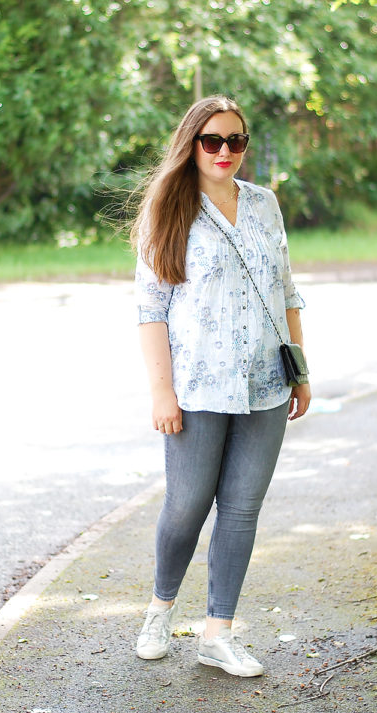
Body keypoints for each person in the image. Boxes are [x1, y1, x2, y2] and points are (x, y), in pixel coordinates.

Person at [130, 95, 311, 678]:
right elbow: (151, 310)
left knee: (240, 510)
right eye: (213, 141)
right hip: (198, 388)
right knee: (186, 505)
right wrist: (162, 394)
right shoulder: (169, 210)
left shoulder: (264, 205)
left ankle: (218, 633)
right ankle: (160, 608)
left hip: (265, 384)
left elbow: (286, 291)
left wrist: (301, 371)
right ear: (192, 144)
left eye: (236, 141)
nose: (225, 152)